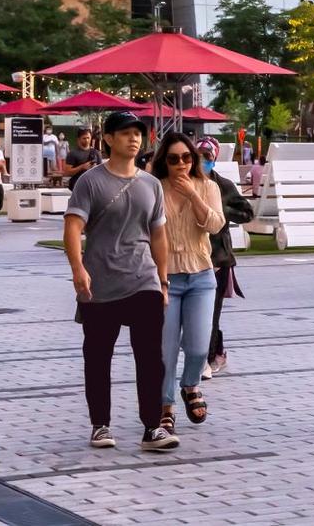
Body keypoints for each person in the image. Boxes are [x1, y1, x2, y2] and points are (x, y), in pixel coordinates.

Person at [64, 111, 178, 453]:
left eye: (138, 134)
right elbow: (72, 227)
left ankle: (152, 428)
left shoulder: (151, 184)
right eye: (125, 133)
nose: (134, 139)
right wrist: (78, 269)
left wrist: (163, 280)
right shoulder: (91, 182)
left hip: (143, 278)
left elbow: (158, 235)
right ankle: (100, 424)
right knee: (98, 357)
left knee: (150, 358)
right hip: (99, 283)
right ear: (109, 139)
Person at [150, 131, 225, 429]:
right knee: (165, 351)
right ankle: (164, 406)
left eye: (186, 157)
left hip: (201, 276)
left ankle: (190, 385)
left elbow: (216, 224)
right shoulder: (154, 188)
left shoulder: (207, 187)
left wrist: (193, 194)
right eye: (173, 158)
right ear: (163, 161)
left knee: (196, 347)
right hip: (165, 278)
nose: (180, 163)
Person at [205, 164, 256, 377]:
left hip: (218, 258)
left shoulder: (223, 185)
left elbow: (247, 213)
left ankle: (206, 360)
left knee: (211, 312)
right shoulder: (185, 182)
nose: (202, 161)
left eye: (207, 157)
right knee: (197, 315)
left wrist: (221, 211)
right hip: (190, 258)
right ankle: (216, 350)